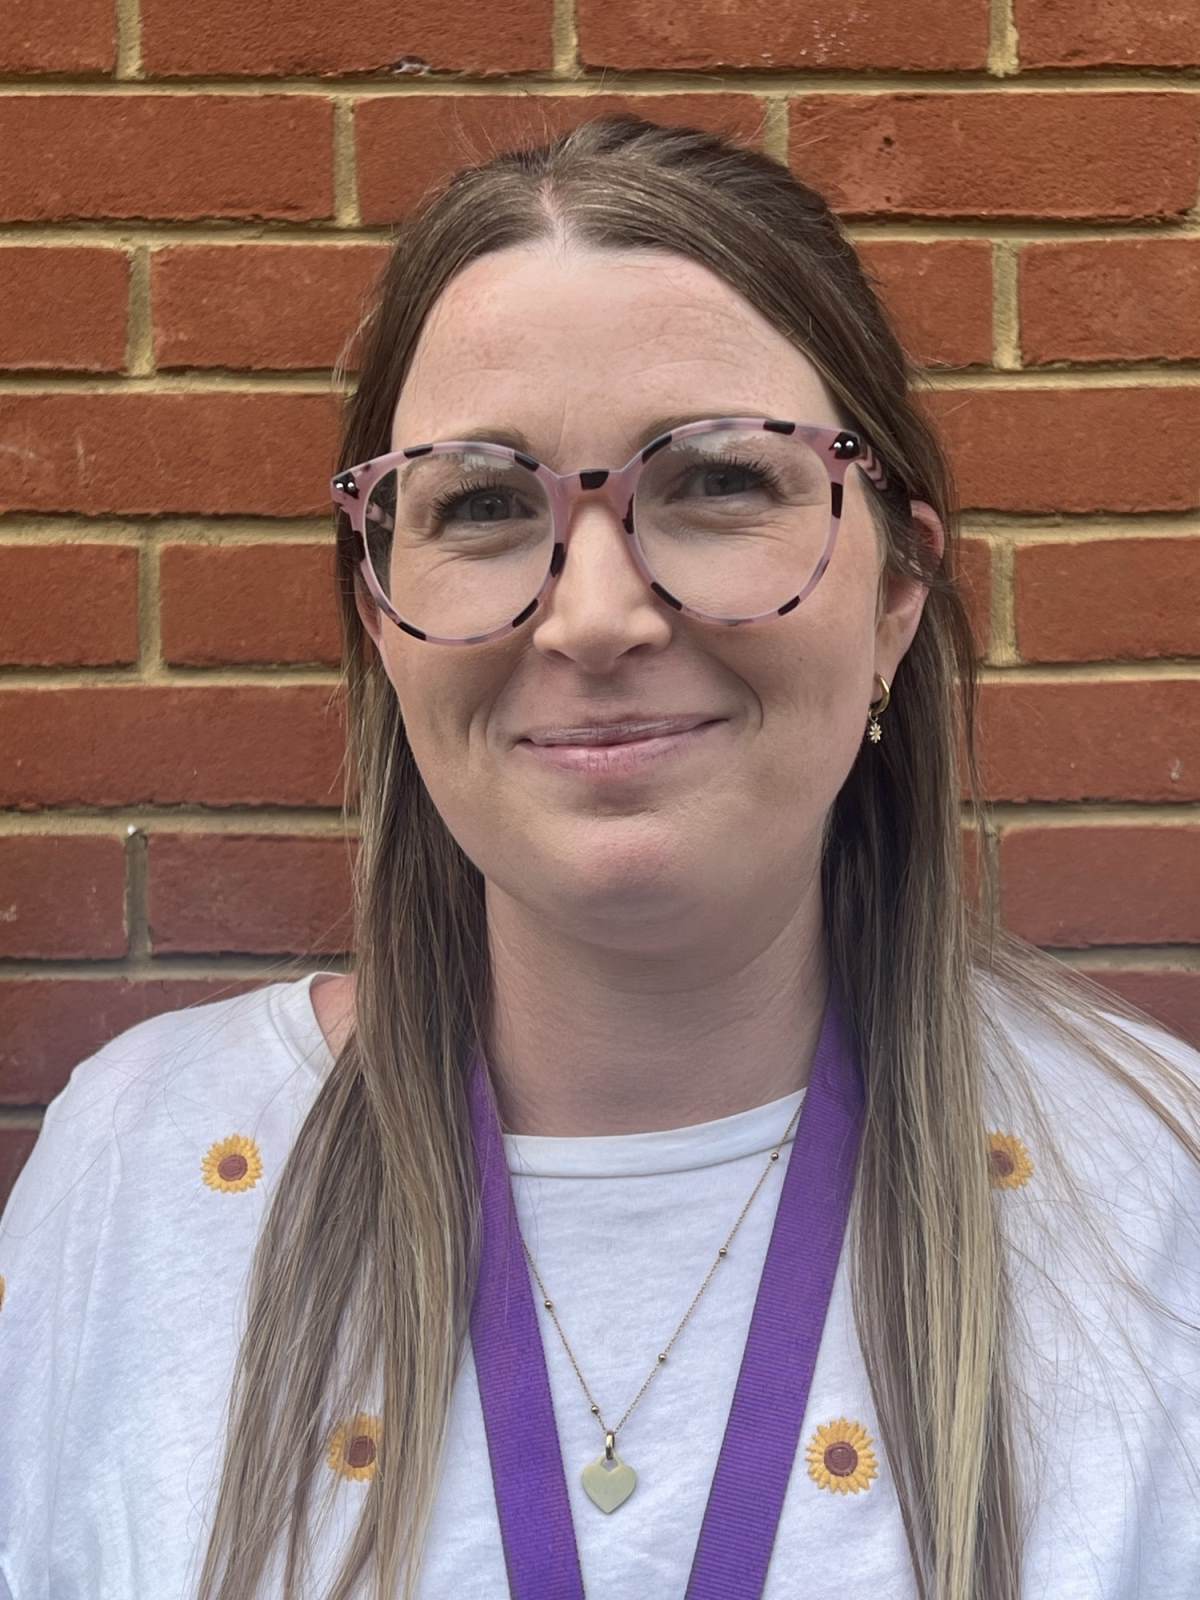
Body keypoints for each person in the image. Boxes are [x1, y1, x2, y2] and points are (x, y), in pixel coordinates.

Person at [1, 113, 1198, 1600]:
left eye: (720, 482)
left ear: (897, 595)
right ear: (381, 620)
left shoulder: (1158, 1193)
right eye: (483, 505)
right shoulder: (139, 1174)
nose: (595, 618)